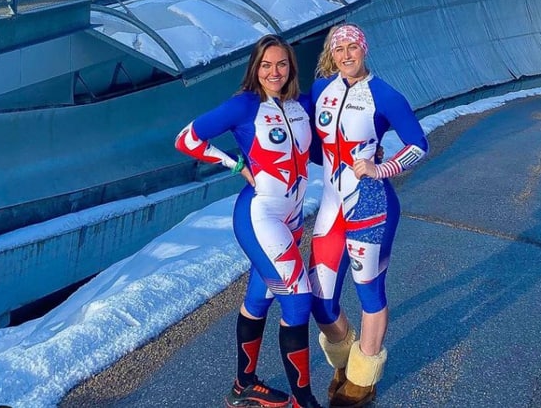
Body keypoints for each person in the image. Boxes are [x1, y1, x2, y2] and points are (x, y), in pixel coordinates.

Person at [174, 34, 322, 408]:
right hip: (260, 216)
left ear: (291, 67)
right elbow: (187, 139)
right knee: (298, 301)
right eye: (266, 65)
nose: (274, 72)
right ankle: (304, 402)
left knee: (260, 297)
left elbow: (319, 146)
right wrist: (236, 164)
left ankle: (244, 386)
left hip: (291, 217)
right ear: (255, 68)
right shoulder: (244, 105)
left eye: (282, 64)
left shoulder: (300, 104)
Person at [308, 24, 429, 407]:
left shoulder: (385, 94)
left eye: (352, 47)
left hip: (371, 206)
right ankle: (346, 362)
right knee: (319, 299)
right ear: (332, 54)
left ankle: (363, 378)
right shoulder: (320, 90)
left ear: (364, 50)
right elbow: (310, 142)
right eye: (339, 48)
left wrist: (381, 168)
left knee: (369, 292)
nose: (346, 55)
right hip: (331, 206)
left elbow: (418, 144)